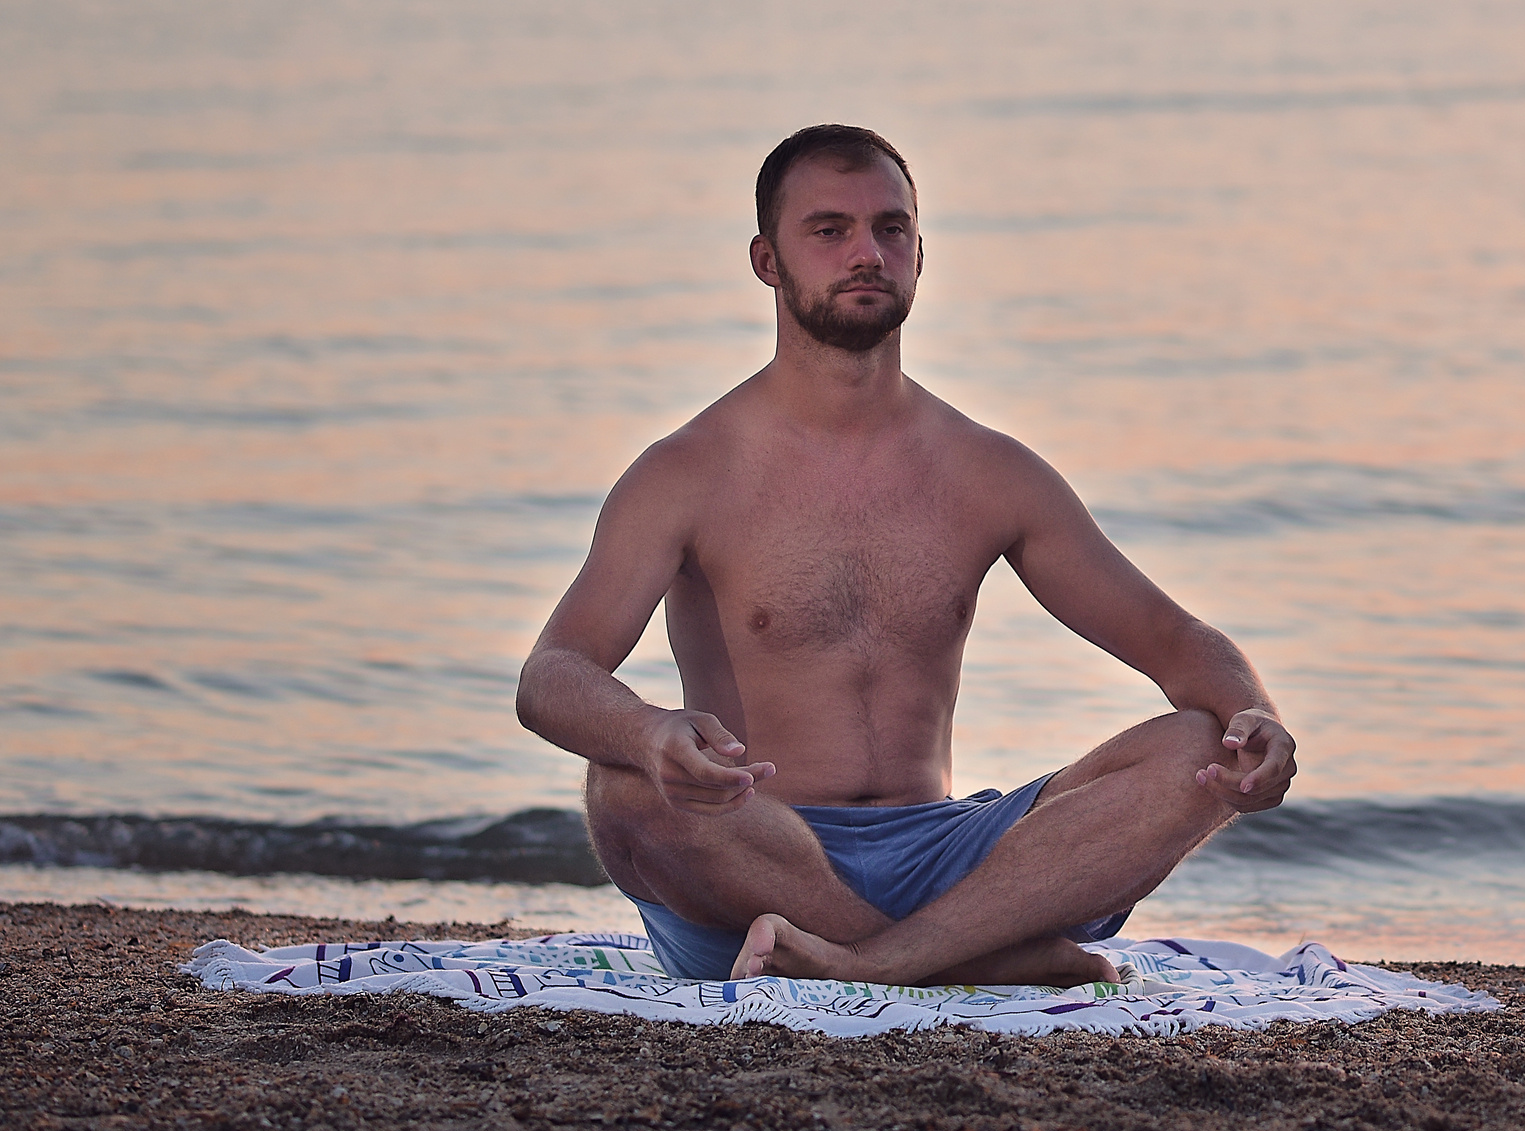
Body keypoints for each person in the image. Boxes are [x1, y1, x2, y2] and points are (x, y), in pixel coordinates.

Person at [516, 125, 1297, 988]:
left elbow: (1171, 635)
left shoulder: (987, 470)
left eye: (890, 230)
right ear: (767, 260)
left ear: (920, 255)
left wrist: (1252, 713)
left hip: (948, 856)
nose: (866, 253)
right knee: (619, 785)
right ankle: (970, 957)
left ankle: (877, 963)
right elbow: (553, 673)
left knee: (1198, 745)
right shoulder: (688, 472)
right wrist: (650, 730)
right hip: (752, 857)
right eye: (829, 231)